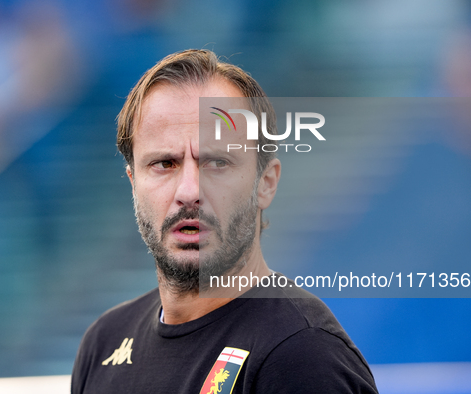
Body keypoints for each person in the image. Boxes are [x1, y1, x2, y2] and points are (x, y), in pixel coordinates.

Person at [71, 49, 378, 393]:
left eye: (217, 163)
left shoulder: (303, 356)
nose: (189, 191)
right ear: (133, 181)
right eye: (164, 164)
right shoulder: (104, 342)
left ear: (266, 183)